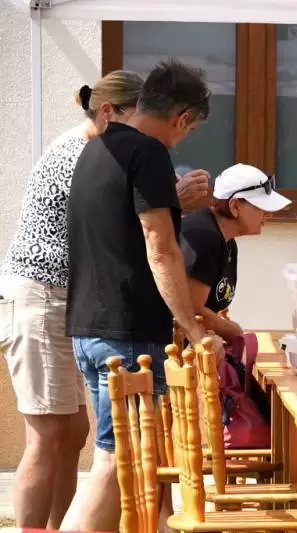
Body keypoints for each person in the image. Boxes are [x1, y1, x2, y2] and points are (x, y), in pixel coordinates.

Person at [60, 59, 224, 532]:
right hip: (127, 333)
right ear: (182, 118)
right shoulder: (149, 153)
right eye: (189, 130)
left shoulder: (96, 147)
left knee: (116, 462)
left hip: (88, 327)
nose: (183, 138)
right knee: (119, 463)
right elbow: (161, 247)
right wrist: (193, 328)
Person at [0, 71, 143, 529]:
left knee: (74, 429)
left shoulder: (93, 149)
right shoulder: (80, 154)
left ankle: (59, 525)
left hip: (62, 300)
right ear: (109, 112)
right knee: (48, 433)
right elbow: (113, 226)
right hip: (41, 296)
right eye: (137, 119)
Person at [180, 164, 292, 343]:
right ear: (234, 206)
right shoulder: (203, 238)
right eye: (261, 207)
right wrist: (231, 331)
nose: (269, 214)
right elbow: (191, 310)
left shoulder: (227, 241)